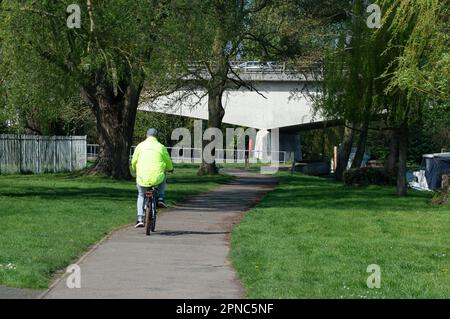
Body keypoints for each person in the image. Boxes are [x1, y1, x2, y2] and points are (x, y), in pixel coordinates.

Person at [131, 128, 173, 228]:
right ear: (156, 136)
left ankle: (140, 219)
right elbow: (167, 160)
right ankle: (161, 198)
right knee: (163, 174)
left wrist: (134, 168)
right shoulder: (161, 147)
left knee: (141, 195)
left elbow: (134, 161)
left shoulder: (140, 146)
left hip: (142, 177)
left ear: (146, 135)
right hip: (156, 177)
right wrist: (170, 168)